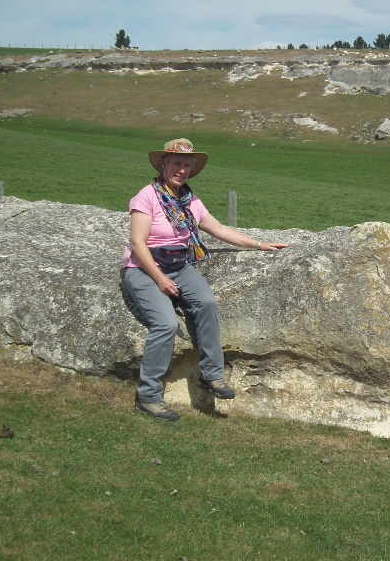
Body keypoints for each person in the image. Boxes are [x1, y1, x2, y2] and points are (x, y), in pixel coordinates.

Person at [122, 138, 288, 422]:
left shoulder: (189, 200)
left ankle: (212, 375)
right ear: (163, 164)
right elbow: (138, 242)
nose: (182, 170)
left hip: (179, 265)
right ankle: (149, 396)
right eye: (177, 163)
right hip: (144, 268)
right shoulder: (146, 196)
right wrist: (160, 280)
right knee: (165, 324)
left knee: (207, 303)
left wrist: (259, 245)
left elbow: (219, 229)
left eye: (187, 165)